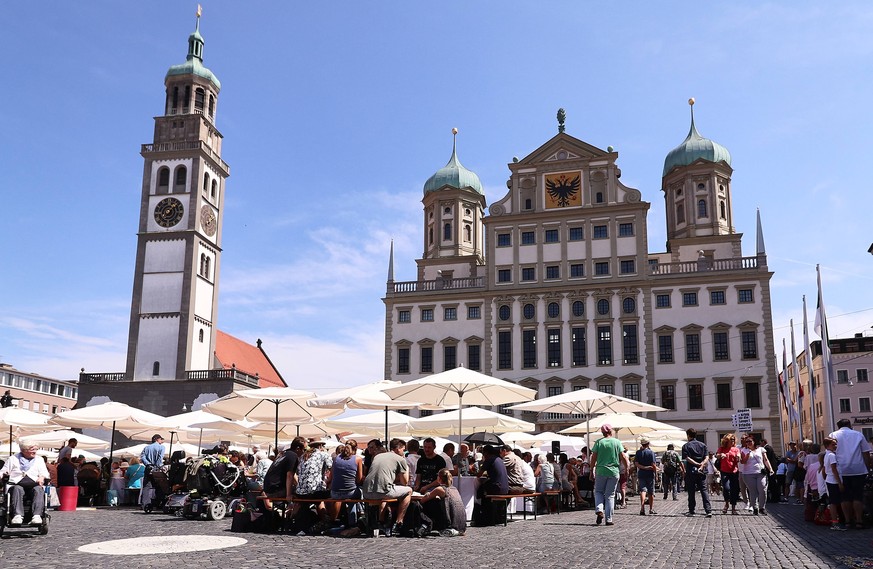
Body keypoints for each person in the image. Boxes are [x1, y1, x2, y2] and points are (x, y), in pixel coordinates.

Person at [361, 437, 412, 537]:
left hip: (366, 492)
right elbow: (404, 482)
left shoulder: (378, 456)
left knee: (384, 496)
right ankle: (398, 522)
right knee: (408, 491)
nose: (404, 452)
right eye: (403, 449)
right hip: (382, 491)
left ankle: (380, 522)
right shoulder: (401, 459)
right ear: (398, 448)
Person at [828, 419, 873, 529]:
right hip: (858, 469)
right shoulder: (858, 434)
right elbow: (866, 453)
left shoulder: (833, 434)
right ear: (849, 425)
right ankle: (859, 521)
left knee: (845, 497)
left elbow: (831, 451)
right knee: (858, 496)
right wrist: (867, 468)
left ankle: (847, 521)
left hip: (842, 469)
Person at [0, 442, 50, 525]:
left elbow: (45, 473)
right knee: (17, 489)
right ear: (24, 450)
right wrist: (3, 475)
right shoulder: (13, 459)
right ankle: (18, 515)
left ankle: (37, 516)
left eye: (36, 449)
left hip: (34, 484)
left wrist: (42, 477)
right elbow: (2, 471)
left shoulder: (39, 459)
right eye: (32, 450)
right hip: (16, 483)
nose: (35, 451)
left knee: (38, 490)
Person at [589, 424, 627, 526]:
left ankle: (599, 509)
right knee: (610, 495)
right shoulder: (616, 442)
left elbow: (593, 458)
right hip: (614, 471)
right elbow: (623, 456)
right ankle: (609, 519)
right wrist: (627, 468)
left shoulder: (599, 442)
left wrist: (591, 469)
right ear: (611, 431)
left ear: (602, 432)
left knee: (598, 492)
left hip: (601, 471)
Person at [261, 437, 305, 509]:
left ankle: (290, 510)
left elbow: (293, 476)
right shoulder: (293, 456)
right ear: (298, 448)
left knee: (300, 489)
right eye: (304, 449)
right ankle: (293, 515)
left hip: (268, 489)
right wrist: (288, 495)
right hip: (275, 491)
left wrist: (298, 485)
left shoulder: (284, 454)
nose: (304, 452)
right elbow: (290, 476)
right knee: (303, 494)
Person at [420, 468, 467, 535]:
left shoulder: (440, 489)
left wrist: (427, 493)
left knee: (427, 504)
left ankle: (426, 525)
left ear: (439, 478)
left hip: (451, 521)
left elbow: (423, 500)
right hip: (461, 523)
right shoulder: (454, 488)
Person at [328, 442, 363, 522]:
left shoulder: (336, 458)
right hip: (350, 492)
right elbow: (359, 480)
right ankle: (353, 522)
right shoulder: (358, 459)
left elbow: (331, 476)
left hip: (335, 492)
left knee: (341, 497)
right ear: (356, 448)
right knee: (357, 494)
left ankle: (338, 519)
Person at [681, 428, 712, 517]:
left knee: (691, 491)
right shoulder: (703, 445)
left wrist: (696, 464)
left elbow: (687, 458)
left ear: (688, 435)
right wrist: (702, 464)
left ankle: (691, 510)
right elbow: (706, 457)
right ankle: (708, 510)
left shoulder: (686, 446)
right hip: (702, 471)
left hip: (691, 471)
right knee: (704, 490)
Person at [739, 435, 772, 515]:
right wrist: (747, 456)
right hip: (748, 473)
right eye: (747, 442)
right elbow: (742, 462)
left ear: (754, 442)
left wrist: (770, 469)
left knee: (762, 489)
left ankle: (762, 507)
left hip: (760, 472)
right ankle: (755, 507)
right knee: (753, 491)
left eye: (750, 441)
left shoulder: (761, 449)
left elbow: (766, 460)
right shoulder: (743, 450)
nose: (748, 443)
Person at [823, 437, 846, 531]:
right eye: (833, 444)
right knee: (834, 502)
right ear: (827, 445)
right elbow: (834, 469)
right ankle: (835, 522)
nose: (835, 446)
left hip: (830, 480)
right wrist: (839, 483)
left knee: (834, 502)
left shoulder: (827, 454)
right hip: (834, 481)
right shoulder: (831, 455)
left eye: (835, 444)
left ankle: (836, 521)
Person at [716, 434, 740, 515]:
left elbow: (739, 457)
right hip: (724, 471)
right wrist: (720, 455)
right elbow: (717, 455)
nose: (732, 441)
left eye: (733, 439)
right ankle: (726, 503)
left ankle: (733, 508)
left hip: (734, 471)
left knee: (734, 490)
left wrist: (738, 457)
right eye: (731, 439)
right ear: (726, 440)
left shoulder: (736, 449)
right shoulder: (722, 448)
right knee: (726, 488)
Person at [634, 437, 658, 516]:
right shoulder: (651, 452)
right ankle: (651, 509)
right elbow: (653, 464)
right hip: (650, 474)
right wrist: (656, 474)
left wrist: (643, 467)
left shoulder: (638, 453)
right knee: (650, 492)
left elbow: (636, 464)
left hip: (641, 473)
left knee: (643, 490)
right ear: (648, 444)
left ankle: (642, 508)